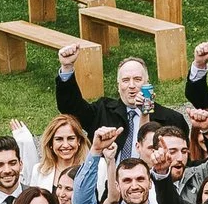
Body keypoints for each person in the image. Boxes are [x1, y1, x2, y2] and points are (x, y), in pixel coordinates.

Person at [56, 50, 188, 163]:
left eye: (137, 79)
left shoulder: (171, 119)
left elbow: (183, 160)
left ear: (147, 83)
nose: (131, 86)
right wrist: (67, 67)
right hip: (109, 183)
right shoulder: (102, 110)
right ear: (118, 86)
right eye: (125, 80)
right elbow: (70, 107)